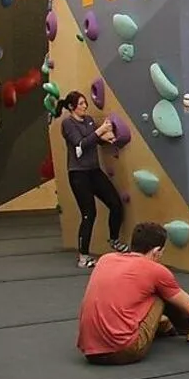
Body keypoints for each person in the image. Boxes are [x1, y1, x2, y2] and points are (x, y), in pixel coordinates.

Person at [77, 222, 189, 365]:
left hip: (90, 352)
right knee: (160, 293)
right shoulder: (155, 270)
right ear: (156, 251)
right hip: (123, 351)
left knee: (138, 293)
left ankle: (164, 327)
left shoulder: (106, 259)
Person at [60, 91, 128, 268]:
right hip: (78, 174)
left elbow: (95, 140)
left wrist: (109, 137)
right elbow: (80, 144)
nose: (85, 106)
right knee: (89, 213)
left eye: (85, 103)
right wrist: (100, 131)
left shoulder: (89, 120)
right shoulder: (68, 123)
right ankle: (83, 257)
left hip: (94, 171)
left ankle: (114, 239)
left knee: (115, 203)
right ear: (71, 107)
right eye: (81, 103)